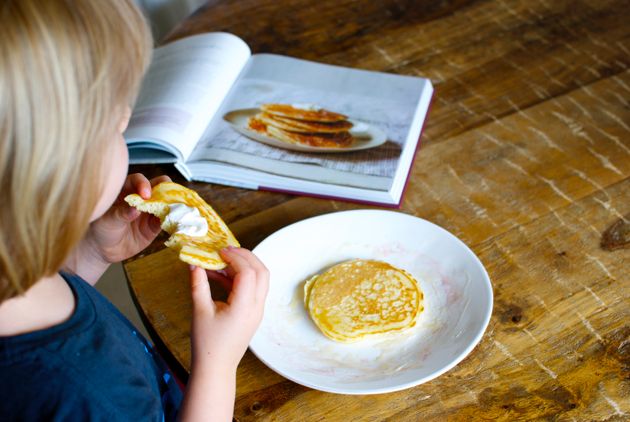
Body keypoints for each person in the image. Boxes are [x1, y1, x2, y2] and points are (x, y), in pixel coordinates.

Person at [0, 0, 269, 420]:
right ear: (53, 180)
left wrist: (90, 256)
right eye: (115, 126)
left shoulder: (23, 287)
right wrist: (217, 367)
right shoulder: (86, 392)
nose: (126, 127)